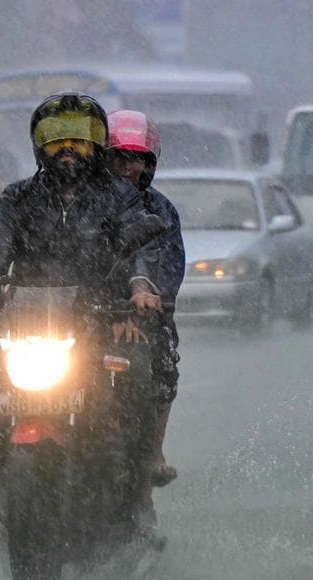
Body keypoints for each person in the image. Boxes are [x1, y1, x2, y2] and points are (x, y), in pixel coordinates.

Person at [0, 92, 165, 530]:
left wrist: (140, 291)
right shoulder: (17, 198)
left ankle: (136, 491)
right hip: (26, 323)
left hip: (99, 319)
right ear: (38, 145)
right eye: (56, 140)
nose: (68, 150)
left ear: (97, 145)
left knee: (140, 373)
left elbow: (139, 252)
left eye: (81, 140)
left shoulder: (119, 198)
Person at [103, 110, 184, 499]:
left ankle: (152, 450)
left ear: (149, 164)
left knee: (164, 360)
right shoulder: (83, 203)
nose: (127, 167)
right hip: (79, 311)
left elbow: (167, 270)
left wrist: (142, 307)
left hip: (141, 315)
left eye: (136, 158)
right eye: (118, 156)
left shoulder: (161, 210)